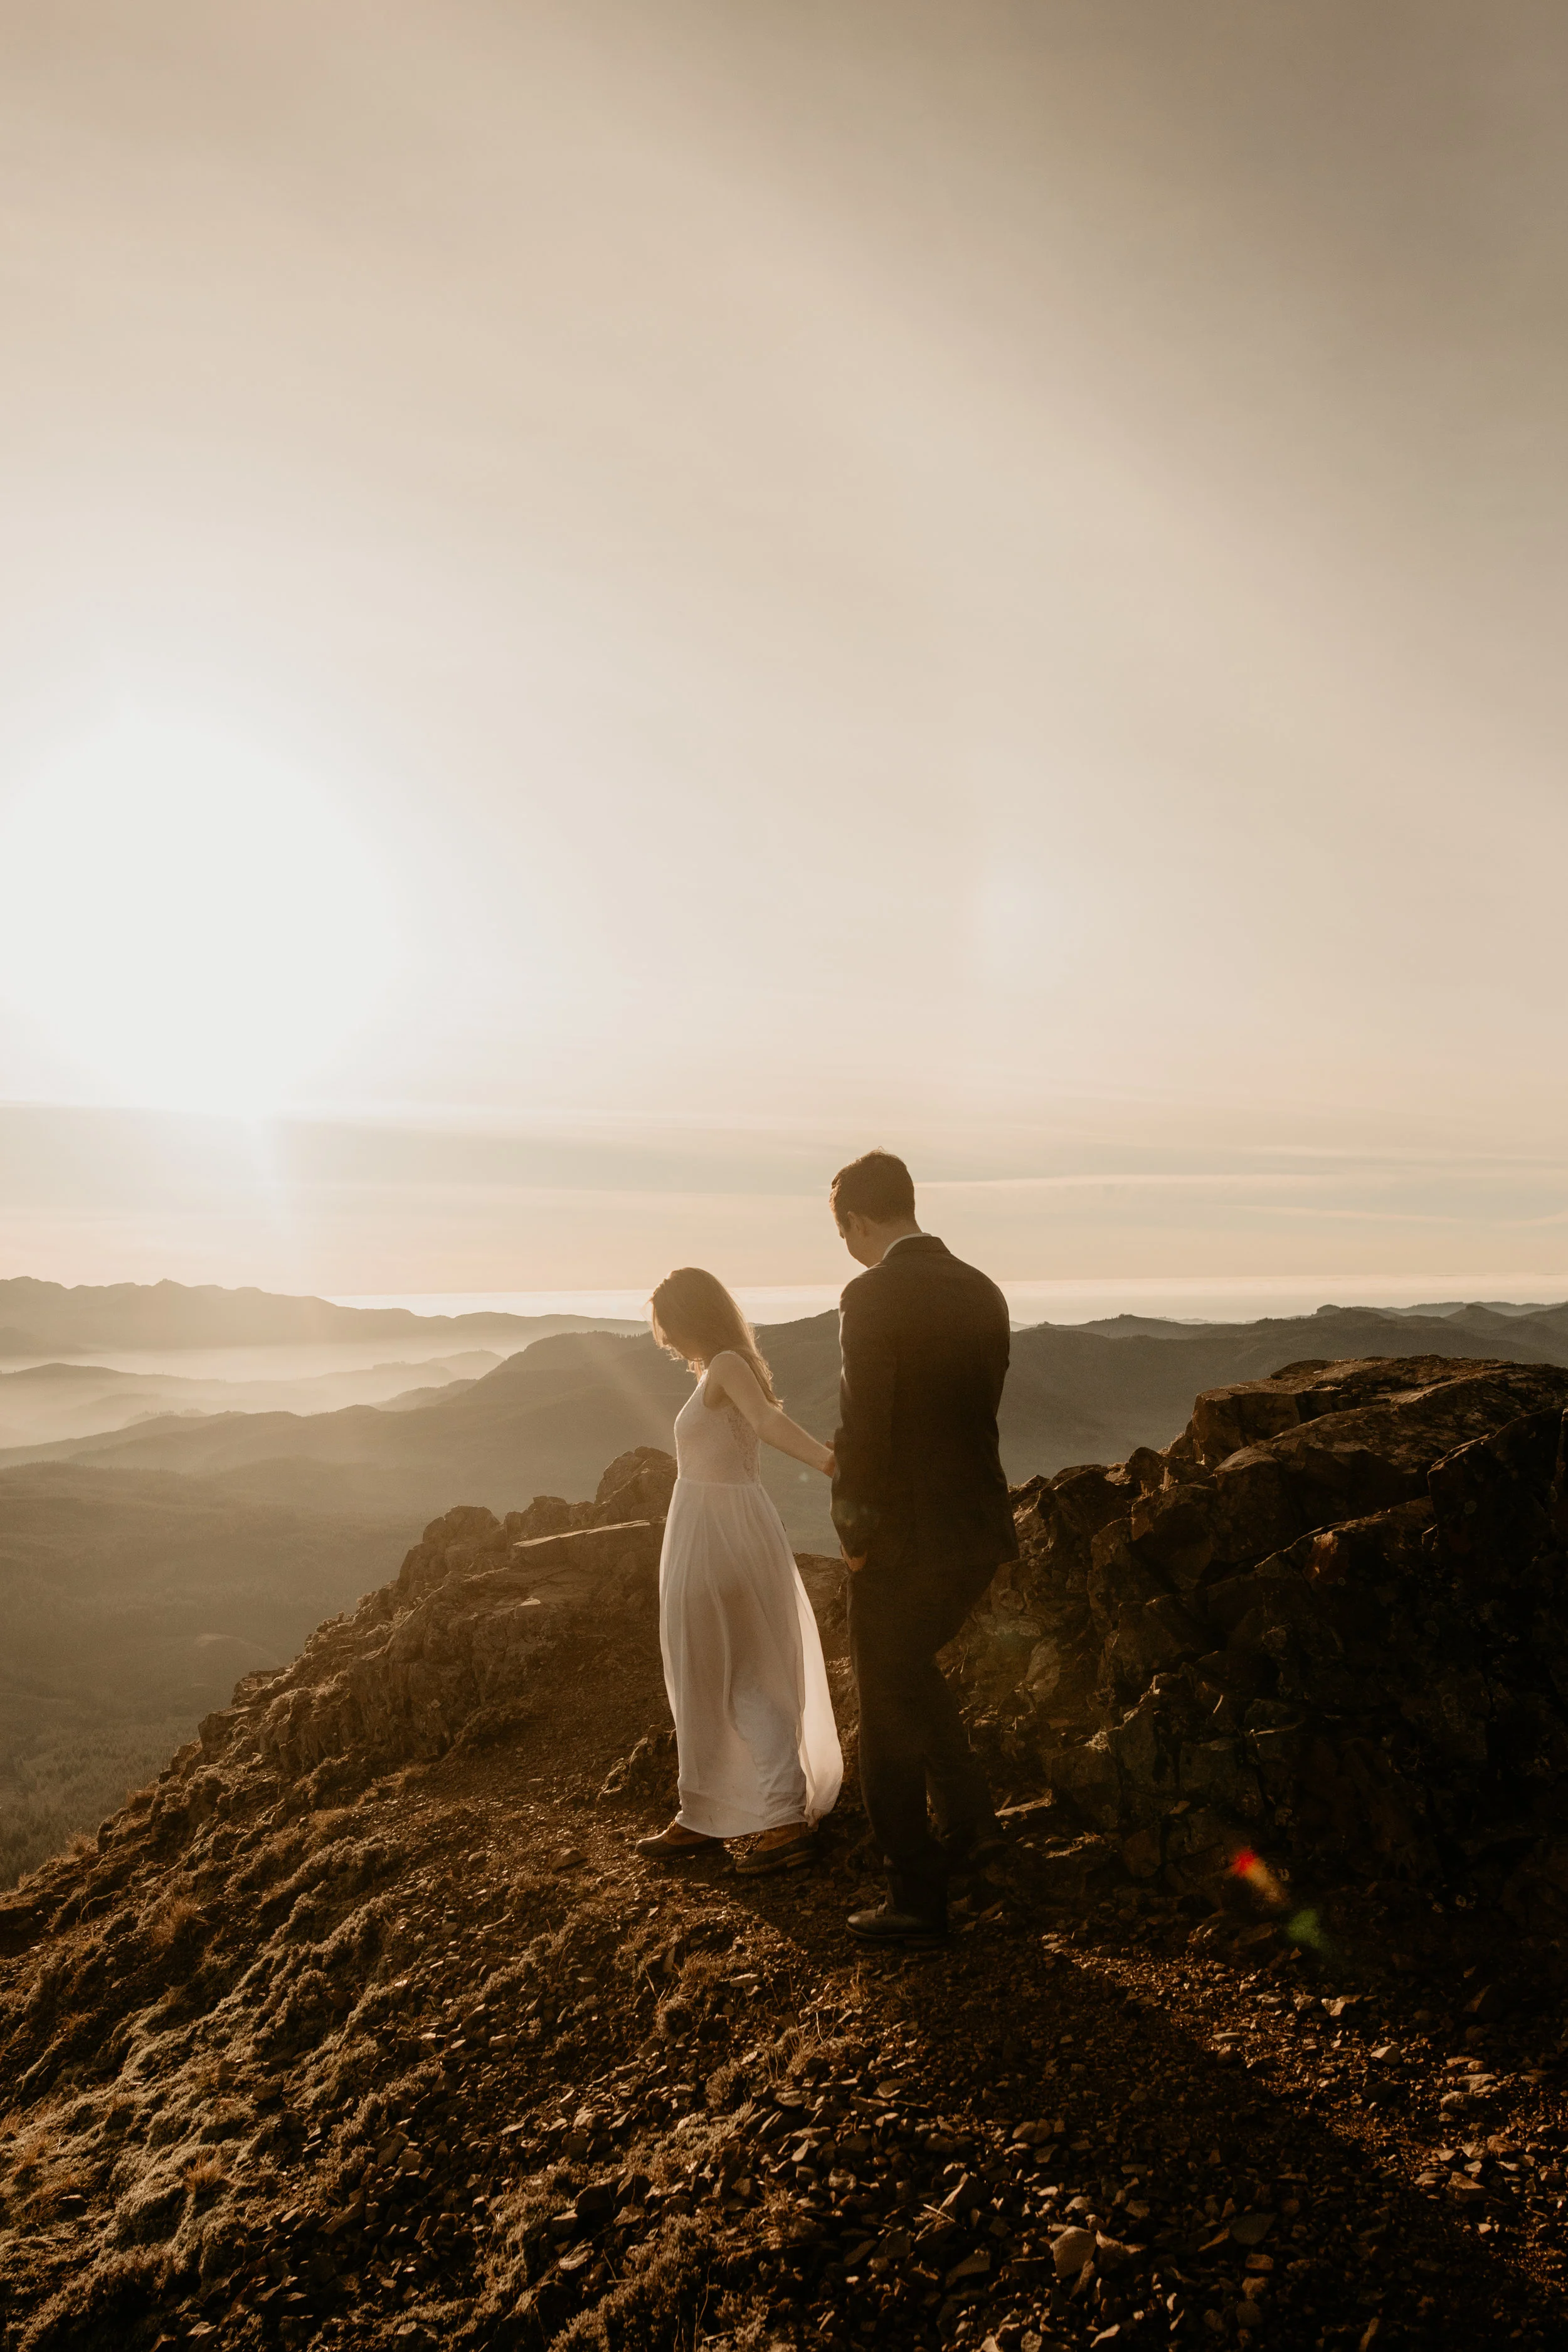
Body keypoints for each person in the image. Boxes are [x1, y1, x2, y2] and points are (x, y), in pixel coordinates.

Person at [830, 1150, 1017, 1944]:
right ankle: (975, 1831)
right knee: (912, 1670)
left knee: (885, 1708)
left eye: (841, 1230)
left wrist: (855, 1533)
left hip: (903, 1538)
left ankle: (914, 1896)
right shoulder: (982, 1287)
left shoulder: (869, 1294)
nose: (843, 1244)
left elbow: (864, 1425)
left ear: (859, 1222)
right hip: (977, 1530)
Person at [635, 1266, 843, 1875]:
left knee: (743, 1669)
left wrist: (830, 1463)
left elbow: (766, 1423)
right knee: (707, 1671)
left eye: (668, 1327)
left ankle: (778, 1817)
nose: (667, 1341)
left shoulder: (727, 1364)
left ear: (688, 1317)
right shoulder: (716, 1368)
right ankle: (704, 1809)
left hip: (719, 1533)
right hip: (712, 1529)